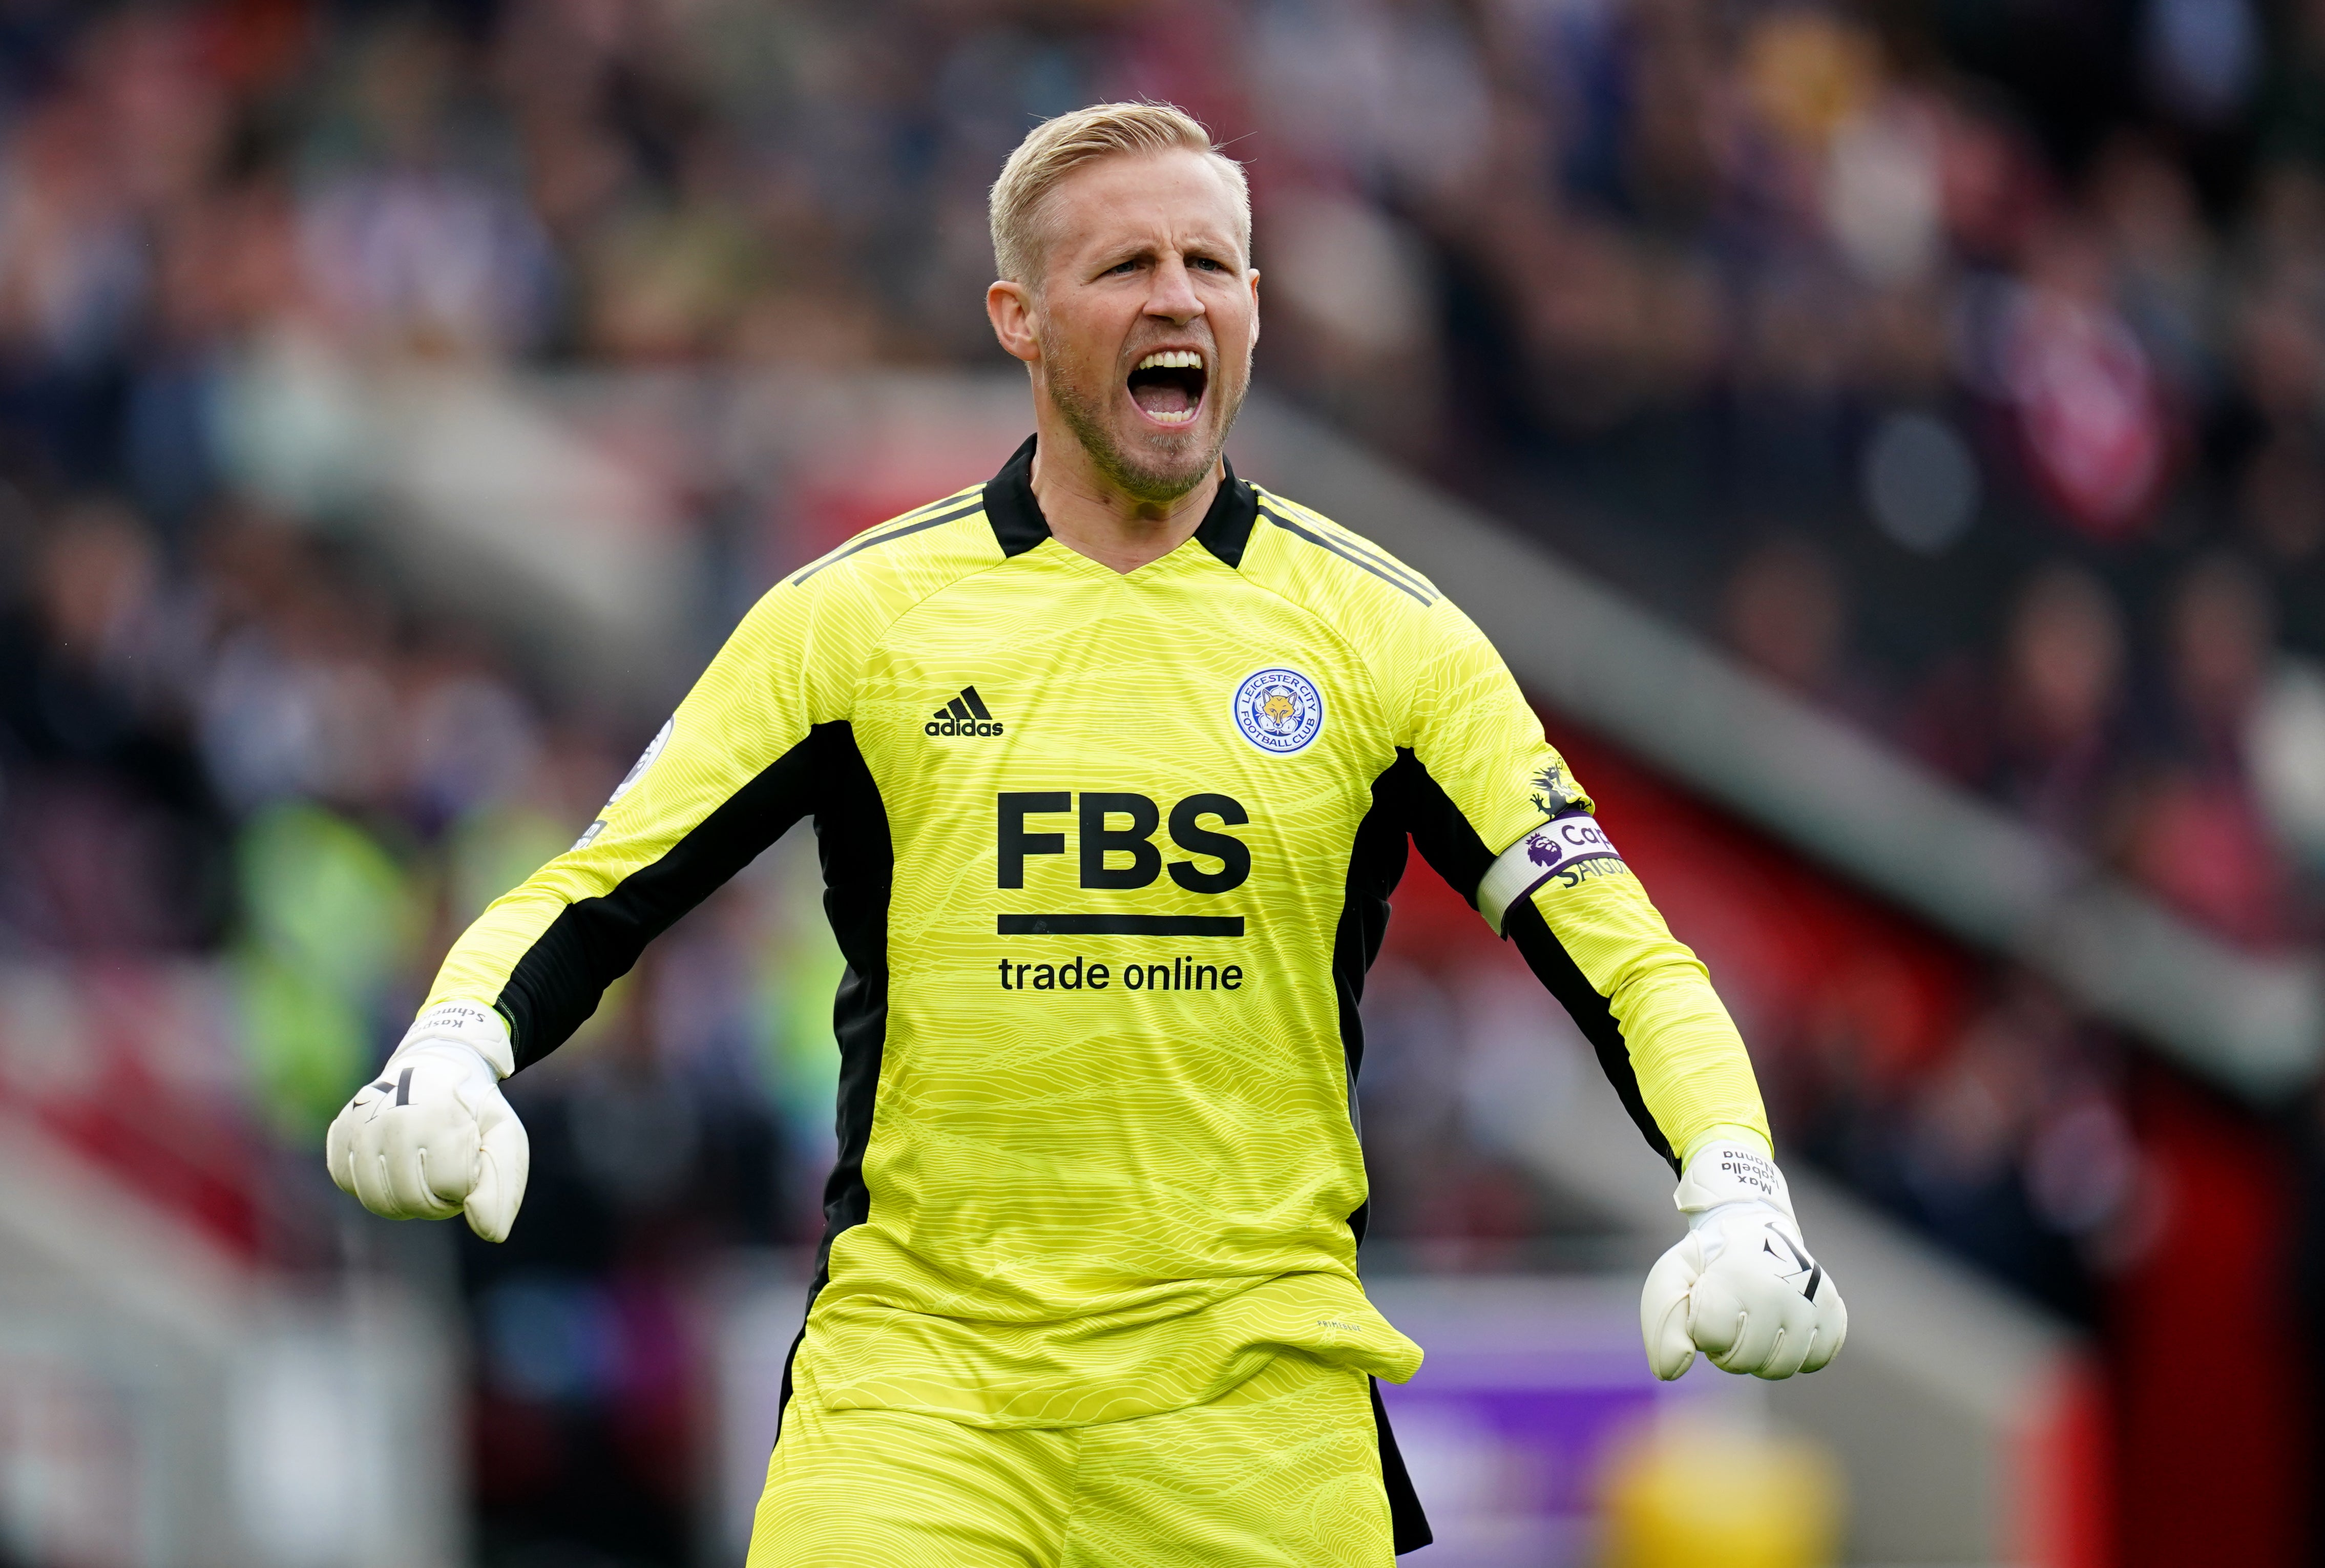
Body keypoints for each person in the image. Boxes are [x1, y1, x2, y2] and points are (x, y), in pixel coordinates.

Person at [326, 101, 1845, 1565]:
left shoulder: (1389, 640)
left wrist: (1736, 1184)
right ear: (1019, 318)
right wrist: (457, 1043)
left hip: (1255, 1419)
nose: (1173, 296)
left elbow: (1624, 954)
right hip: (921, 1393)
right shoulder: (855, 620)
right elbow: (603, 882)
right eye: (1124, 265)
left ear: (1253, 305)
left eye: (1208, 266)